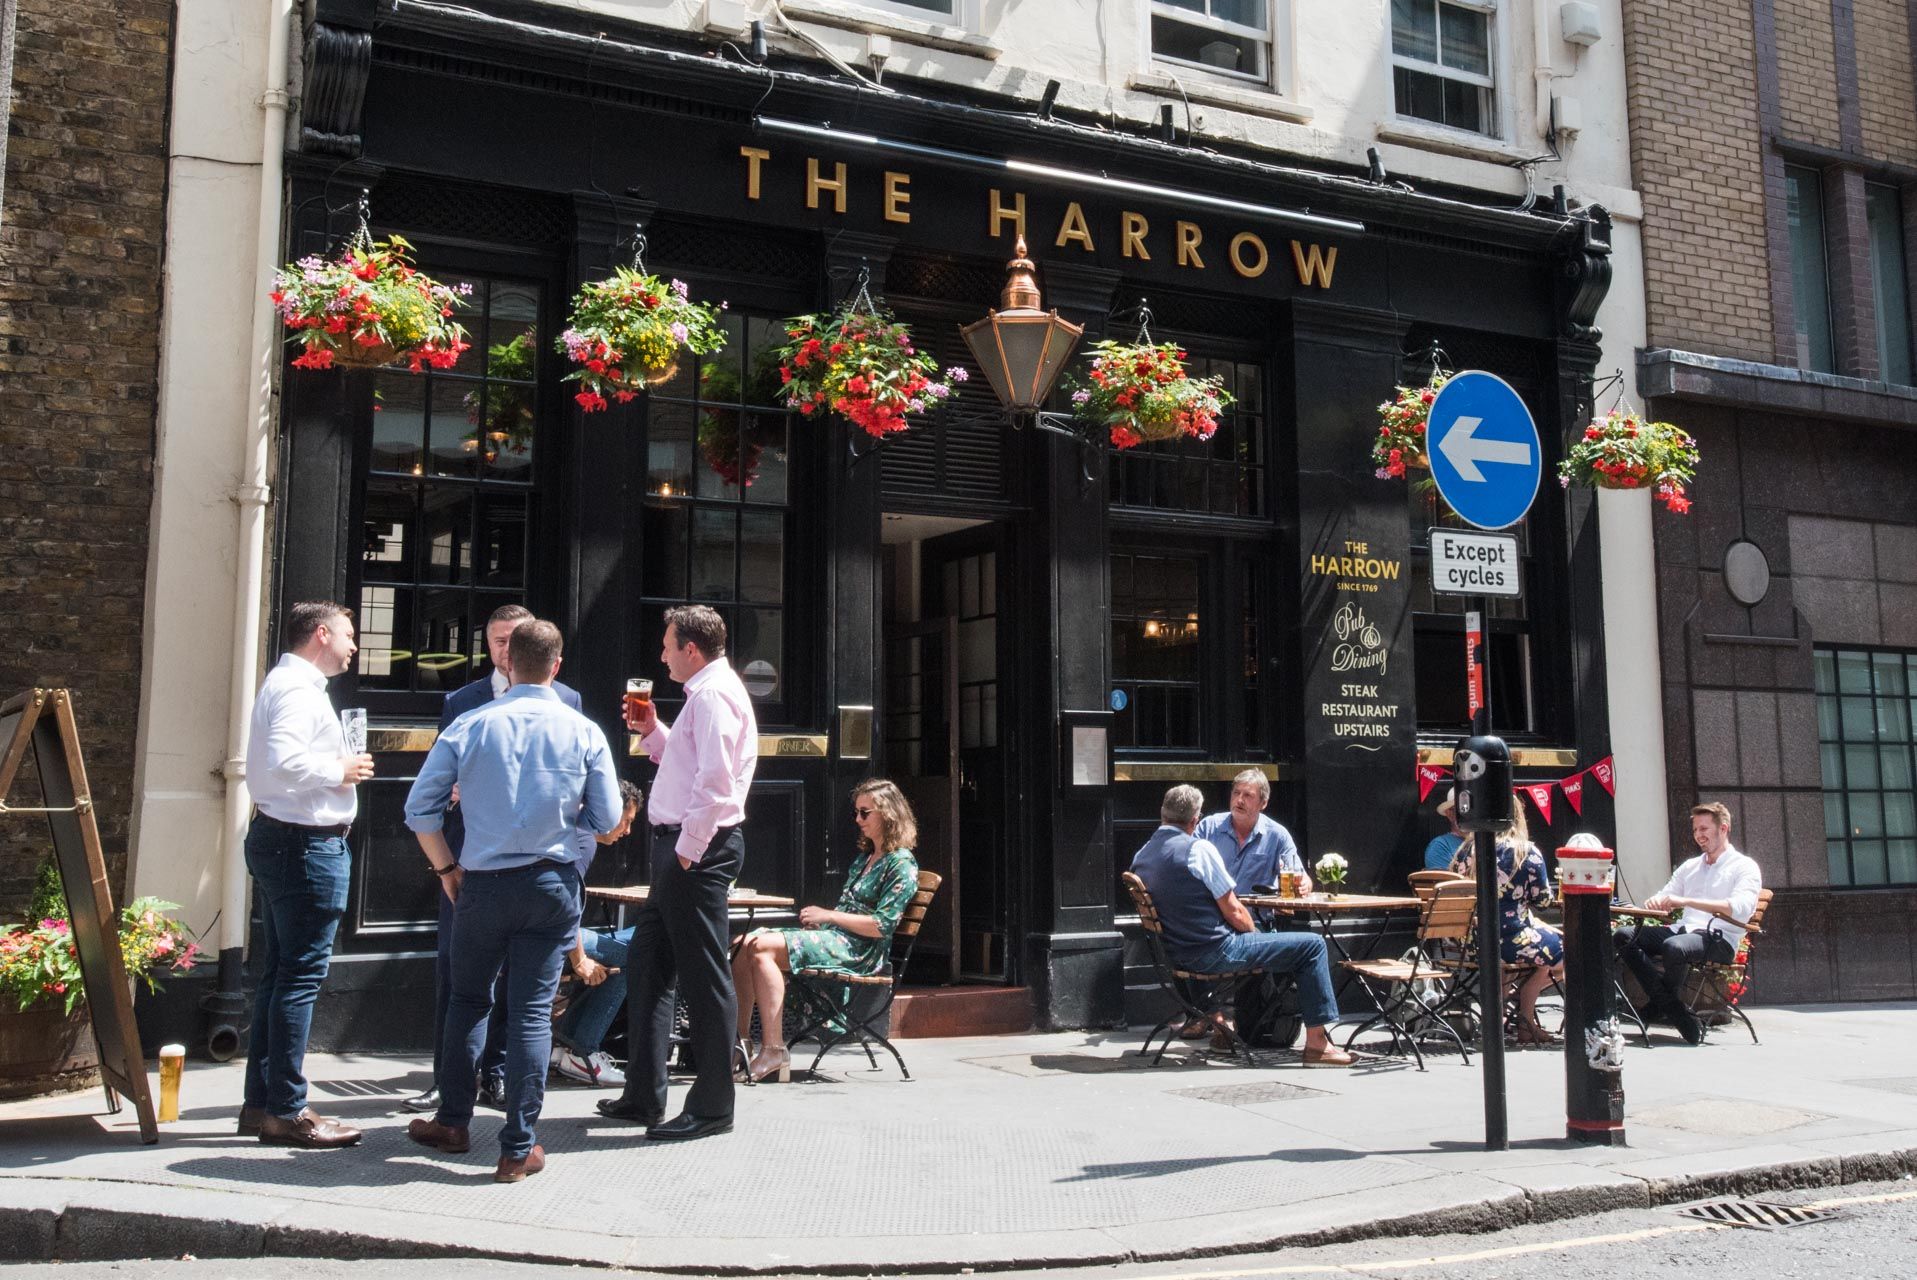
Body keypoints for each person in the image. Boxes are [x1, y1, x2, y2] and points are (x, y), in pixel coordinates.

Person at [402, 620, 621, 1182]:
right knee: (528, 1014)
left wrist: (446, 869)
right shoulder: (584, 731)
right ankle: (517, 1147)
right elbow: (609, 818)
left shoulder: (471, 725)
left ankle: (453, 1121)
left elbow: (418, 810)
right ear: (556, 664)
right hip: (550, 884)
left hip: (483, 883)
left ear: (507, 663)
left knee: (468, 1001)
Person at [598, 605, 759, 1141]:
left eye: (668, 645)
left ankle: (713, 1106)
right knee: (648, 965)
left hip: (696, 850)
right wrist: (653, 731)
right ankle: (644, 1094)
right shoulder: (706, 695)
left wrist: (688, 853)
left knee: (704, 977)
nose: (662, 654)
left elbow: (715, 784)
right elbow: (688, 765)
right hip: (685, 849)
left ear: (692, 649)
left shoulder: (713, 696)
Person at [237, 600, 372, 1149]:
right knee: (298, 979)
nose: (354, 646)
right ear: (321, 634)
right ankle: (287, 1111)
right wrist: (340, 769)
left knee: (279, 975)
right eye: (347, 634)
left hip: (284, 840)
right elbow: (287, 762)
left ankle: (261, 1103)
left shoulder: (291, 685)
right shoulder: (296, 690)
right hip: (304, 847)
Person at [1131, 785, 1354, 1068]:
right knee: (1312, 945)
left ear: (1163, 814)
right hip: (1214, 950)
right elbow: (1235, 910)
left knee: (1291, 945)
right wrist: (1258, 940)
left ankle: (1222, 1020)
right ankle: (1318, 1045)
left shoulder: (1142, 854)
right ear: (1194, 820)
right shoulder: (1197, 850)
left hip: (1176, 953)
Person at [731, 779, 921, 1083]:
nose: (857, 820)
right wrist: (826, 922)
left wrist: (830, 915)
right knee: (745, 941)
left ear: (888, 814)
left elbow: (881, 926)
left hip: (860, 952)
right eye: (857, 812)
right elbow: (851, 913)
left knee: (763, 947)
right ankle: (741, 1045)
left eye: (864, 813)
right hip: (838, 939)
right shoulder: (866, 858)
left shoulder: (901, 865)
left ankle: (774, 1050)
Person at [1613, 802, 1762, 1045]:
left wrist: (1684, 900)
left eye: (1704, 829)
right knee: (1623, 935)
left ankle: (1661, 1010)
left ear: (1723, 828)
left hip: (1719, 937)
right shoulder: (1690, 867)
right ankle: (1673, 1009)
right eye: (1695, 830)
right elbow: (1668, 894)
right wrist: (1657, 901)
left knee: (1674, 947)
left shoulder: (1744, 866)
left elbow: (1741, 908)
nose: (1698, 836)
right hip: (1683, 931)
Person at [1191, 770, 1309, 1046]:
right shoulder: (1209, 827)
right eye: (1236, 793)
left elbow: (1299, 874)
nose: (1239, 800)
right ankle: (1208, 1014)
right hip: (1213, 920)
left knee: (1266, 940)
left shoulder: (1277, 835)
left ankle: (1243, 1023)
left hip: (1254, 921)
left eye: (1248, 796)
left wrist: (1305, 884)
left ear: (1262, 803)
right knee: (1187, 933)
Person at [551, 780, 643, 1088]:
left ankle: (567, 1047)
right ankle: (581, 1050)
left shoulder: (572, 827)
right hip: (552, 935)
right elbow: (566, 907)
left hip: (531, 928)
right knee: (629, 956)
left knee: (628, 939)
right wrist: (580, 961)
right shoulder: (585, 839)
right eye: (627, 821)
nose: (628, 831)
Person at [1448, 804, 1564, 1045]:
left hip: (1470, 941)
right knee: (1564, 950)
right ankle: (1523, 1015)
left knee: (1537, 947)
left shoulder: (1466, 849)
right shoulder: (1526, 852)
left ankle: (1505, 1015)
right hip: (1510, 940)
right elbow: (1542, 900)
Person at [1424, 789, 1467, 871]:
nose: (1469, 813)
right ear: (1449, 814)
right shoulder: (1440, 846)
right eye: (1462, 808)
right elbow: (1445, 883)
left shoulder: (1490, 840)